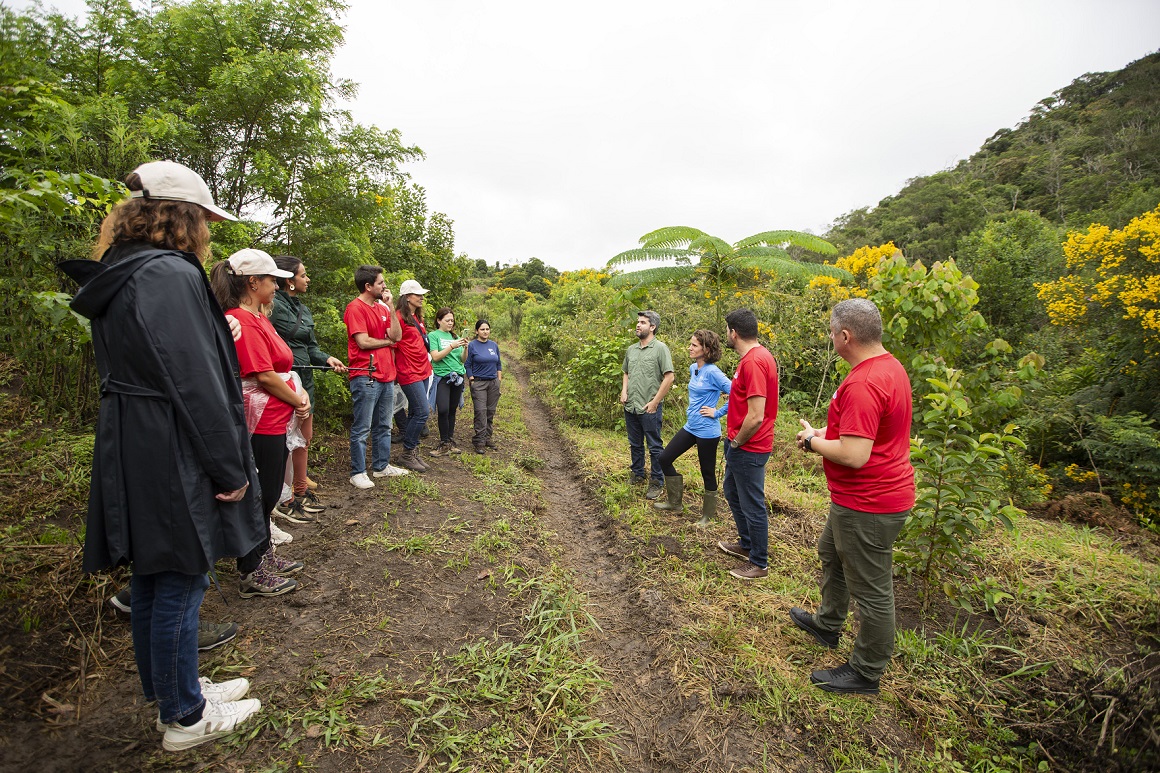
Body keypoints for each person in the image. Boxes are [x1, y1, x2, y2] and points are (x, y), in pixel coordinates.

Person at [61, 160, 262, 751]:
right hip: (168, 437)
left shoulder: (123, 270)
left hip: (133, 433)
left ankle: (173, 691)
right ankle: (184, 717)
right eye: (202, 218)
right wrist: (228, 466)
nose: (206, 230)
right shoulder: (169, 275)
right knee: (181, 573)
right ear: (182, 217)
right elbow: (193, 379)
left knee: (155, 572)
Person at [791, 298, 915, 696]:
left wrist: (812, 442)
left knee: (873, 590)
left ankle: (866, 671)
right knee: (831, 553)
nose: (831, 339)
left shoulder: (863, 382)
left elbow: (855, 454)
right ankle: (828, 624)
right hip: (858, 498)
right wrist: (825, 435)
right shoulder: (888, 367)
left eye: (831, 333)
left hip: (870, 503)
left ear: (845, 336)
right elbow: (861, 436)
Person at [210, 248, 308, 599]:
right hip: (260, 420)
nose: (277, 288)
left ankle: (263, 556)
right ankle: (251, 568)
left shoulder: (260, 318)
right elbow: (264, 375)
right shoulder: (242, 319)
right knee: (261, 495)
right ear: (253, 282)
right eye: (272, 281)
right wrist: (297, 399)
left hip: (273, 418)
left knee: (265, 493)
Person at [269, 255, 346, 518]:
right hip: (282, 383)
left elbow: (310, 347)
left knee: (304, 438)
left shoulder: (302, 308)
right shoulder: (273, 306)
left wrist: (326, 358)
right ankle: (285, 497)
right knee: (283, 443)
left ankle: (300, 493)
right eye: (303, 275)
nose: (307, 279)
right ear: (288, 280)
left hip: (306, 382)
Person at [715, 308, 779, 581]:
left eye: (727, 330)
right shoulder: (757, 357)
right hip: (743, 443)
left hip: (749, 445)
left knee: (752, 503)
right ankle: (746, 543)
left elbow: (756, 415)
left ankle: (759, 562)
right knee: (732, 490)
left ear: (734, 332)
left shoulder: (753, 362)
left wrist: (738, 441)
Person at [653, 329, 731, 525]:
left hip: (708, 431)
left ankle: (708, 515)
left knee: (707, 472)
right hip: (691, 427)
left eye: (694, 345)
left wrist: (718, 412)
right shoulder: (693, 368)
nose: (690, 347)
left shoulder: (714, 372)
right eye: (691, 344)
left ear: (706, 348)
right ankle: (675, 502)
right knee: (664, 458)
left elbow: (738, 393)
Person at [344, 265, 406, 489]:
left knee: (384, 425)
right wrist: (388, 343)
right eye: (380, 282)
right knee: (362, 427)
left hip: (387, 375)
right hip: (365, 374)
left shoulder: (382, 308)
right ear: (368, 286)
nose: (384, 285)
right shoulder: (355, 308)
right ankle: (358, 472)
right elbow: (363, 342)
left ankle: (381, 467)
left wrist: (390, 307)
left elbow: (397, 336)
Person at [619, 310, 674, 500]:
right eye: (638, 322)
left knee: (654, 446)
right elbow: (626, 372)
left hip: (649, 407)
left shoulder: (660, 349)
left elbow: (669, 377)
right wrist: (624, 391)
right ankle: (638, 473)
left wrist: (655, 402)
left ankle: (657, 481)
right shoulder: (631, 350)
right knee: (635, 443)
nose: (638, 325)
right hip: (631, 405)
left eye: (642, 322)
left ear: (653, 327)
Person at [394, 279, 434, 472]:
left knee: (415, 413)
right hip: (408, 371)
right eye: (417, 294)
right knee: (422, 411)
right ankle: (407, 452)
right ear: (407, 297)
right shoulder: (398, 317)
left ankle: (412, 451)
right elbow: (392, 344)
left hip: (423, 369)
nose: (421, 297)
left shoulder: (416, 318)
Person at [427, 307, 469, 456]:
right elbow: (436, 357)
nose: (450, 323)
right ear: (439, 321)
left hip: (458, 377)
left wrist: (465, 348)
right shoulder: (433, 336)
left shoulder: (455, 336)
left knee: (452, 410)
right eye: (447, 320)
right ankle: (443, 441)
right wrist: (452, 346)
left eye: (452, 320)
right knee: (443, 409)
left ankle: (449, 441)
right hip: (443, 377)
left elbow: (462, 360)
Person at [465, 319, 503, 454]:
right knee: (480, 411)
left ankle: (487, 437)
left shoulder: (494, 345)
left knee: (490, 411)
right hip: (479, 383)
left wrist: (498, 380)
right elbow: (467, 364)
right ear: (476, 331)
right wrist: (471, 379)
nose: (485, 331)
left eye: (487, 329)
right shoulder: (472, 345)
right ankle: (479, 441)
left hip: (493, 382)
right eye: (482, 329)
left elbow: (498, 363)